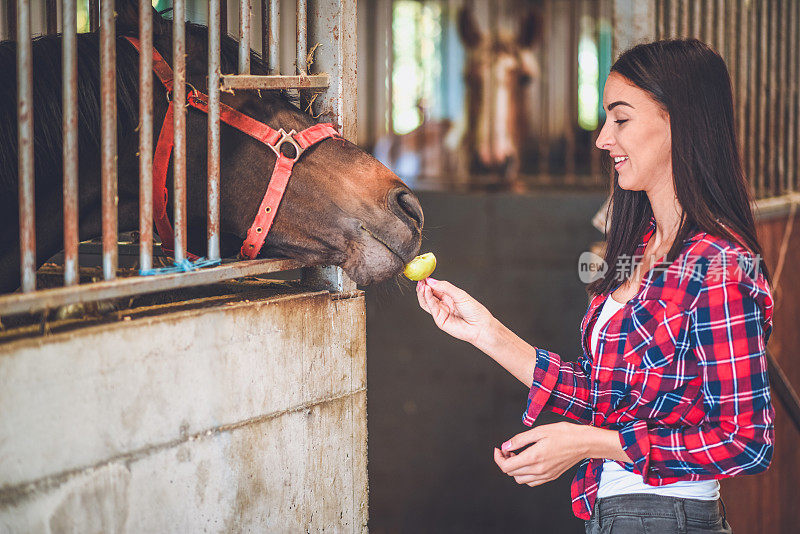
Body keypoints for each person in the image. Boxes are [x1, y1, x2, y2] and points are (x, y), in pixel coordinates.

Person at [415, 39, 774, 534]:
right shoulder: (641, 246)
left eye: (621, 119)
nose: (604, 138)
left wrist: (591, 444)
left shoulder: (721, 265)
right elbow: (603, 397)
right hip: (610, 513)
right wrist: (486, 332)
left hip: (666, 517)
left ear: (679, 123)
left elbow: (746, 442)